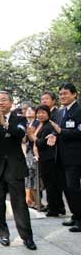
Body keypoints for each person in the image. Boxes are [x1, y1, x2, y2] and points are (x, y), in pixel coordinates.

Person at [0, 91, 37, 250]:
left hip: (15, 167)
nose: (0, 103)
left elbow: (19, 133)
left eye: (3, 100)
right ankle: (3, 235)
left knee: (19, 204)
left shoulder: (19, 118)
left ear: (11, 102)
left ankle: (27, 237)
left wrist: (5, 123)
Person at [48, 82, 81, 232]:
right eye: (60, 94)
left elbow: (77, 133)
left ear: (74, 94)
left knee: (74, 187)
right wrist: (53, 135)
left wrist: (61, 132)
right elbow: (58, 130)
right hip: (60, 156)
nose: (62, 96)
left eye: (65, 93)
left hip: (74, 157)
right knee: (66, 188)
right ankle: (75, 214)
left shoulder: (79, 110)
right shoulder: (60, 112)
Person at [30, 105, 65, 217]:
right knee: (51, 184)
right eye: (38, 113)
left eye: (43, 113)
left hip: (49, 159)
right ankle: (58, 207)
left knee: (51, 185)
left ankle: (53, 209)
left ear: (48, 114)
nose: (40, 115)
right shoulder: (41, 125)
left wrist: (33, 137)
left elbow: (42, 143)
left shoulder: (49, 126)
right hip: (44, 158)